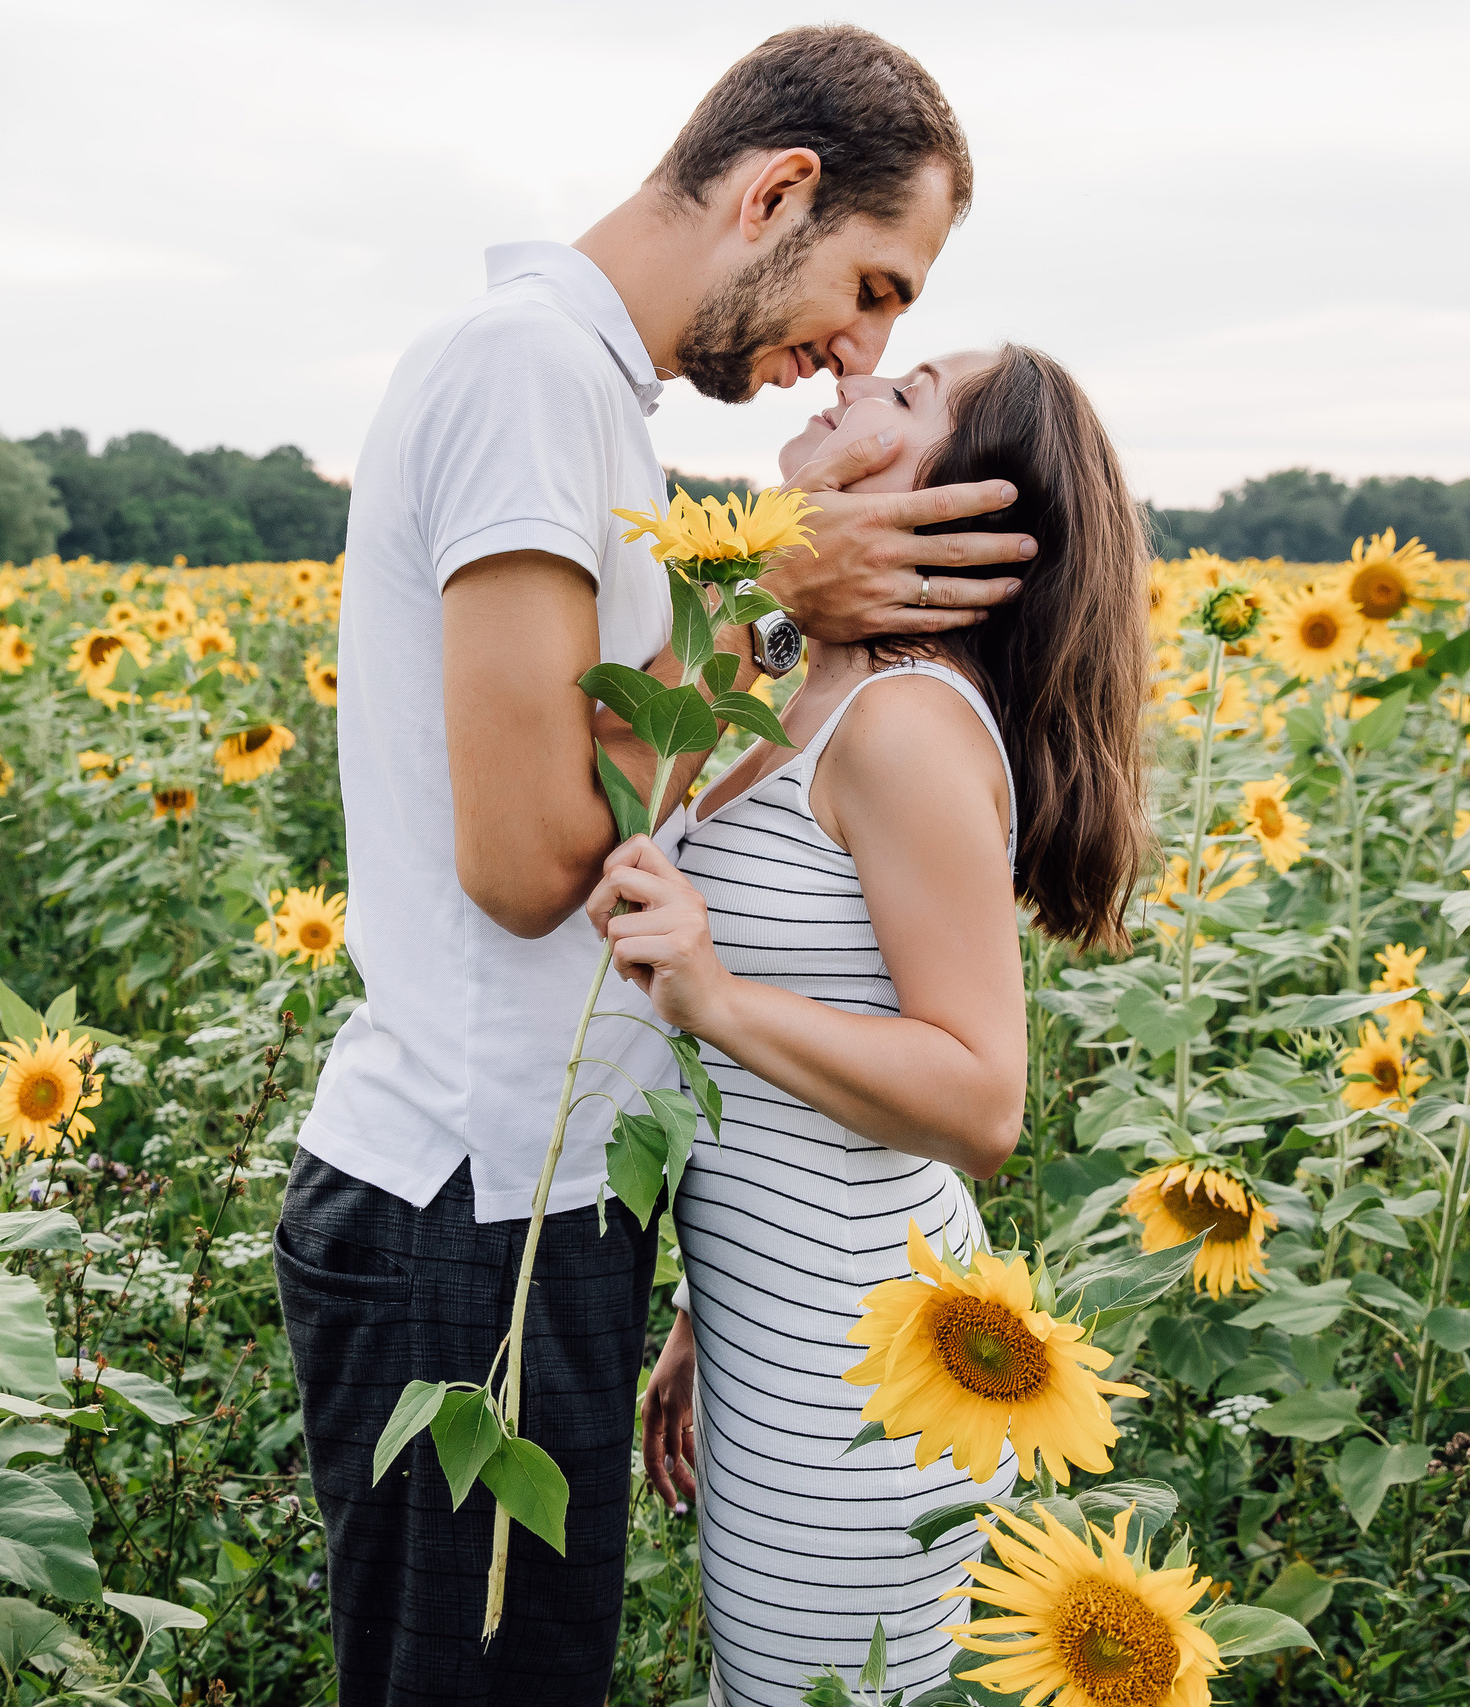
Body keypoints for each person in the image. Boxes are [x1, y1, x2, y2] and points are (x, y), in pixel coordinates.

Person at [271, 26, 1038, 1707]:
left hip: (539, 1207)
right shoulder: (528, 375)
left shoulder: (590, 404)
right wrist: (781, 607)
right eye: (877, 284)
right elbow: (528, 857)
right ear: (778, 192)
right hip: (462, 1209)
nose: (859, 348)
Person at [597, 345, 1153, 1705]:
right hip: (779, 1342)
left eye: (904, 399)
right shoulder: (799, 668)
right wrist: (699, 1318)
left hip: (866, 1393)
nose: (841, 390)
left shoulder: (901, 722)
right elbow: (815, 1084)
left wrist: (715, 997)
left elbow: (980, 1101)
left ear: (963, 504)